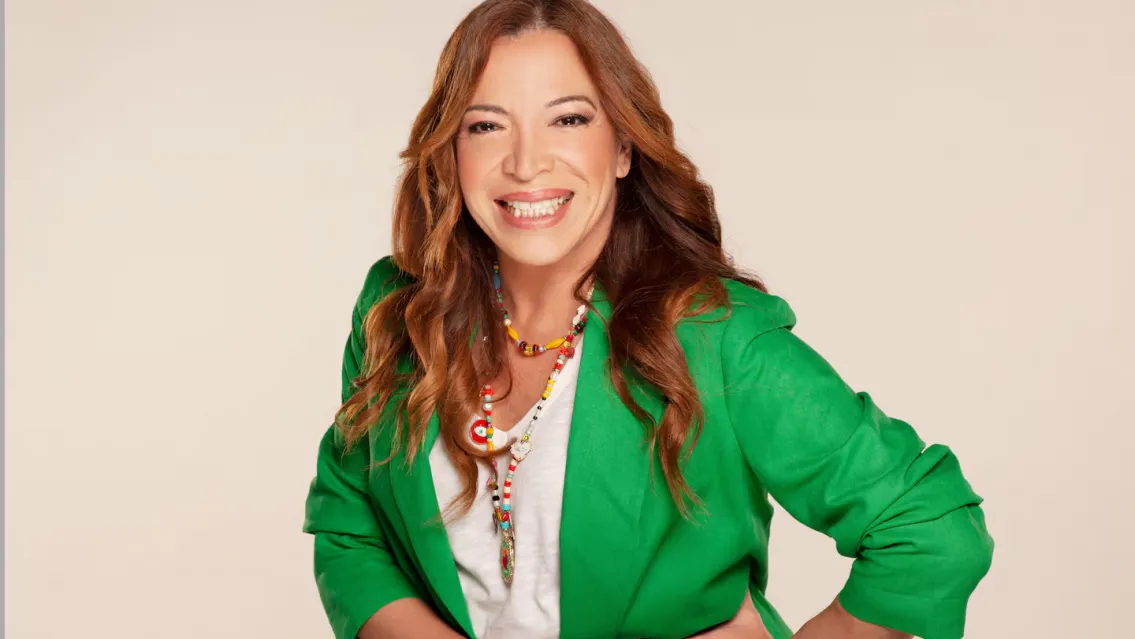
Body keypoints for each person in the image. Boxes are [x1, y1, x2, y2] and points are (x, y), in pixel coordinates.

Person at [302, 1, 995, 638]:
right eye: (486, 126)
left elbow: (930, 531)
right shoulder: (398, 310)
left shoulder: (715, 337)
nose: (525, 162)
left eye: (568, 119)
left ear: (624, 148)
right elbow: (350, 520)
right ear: (451, 151)